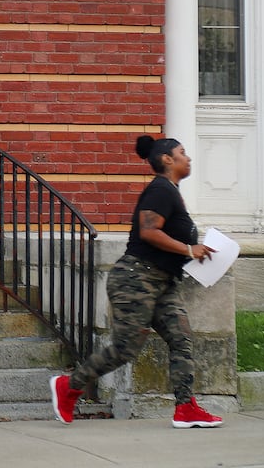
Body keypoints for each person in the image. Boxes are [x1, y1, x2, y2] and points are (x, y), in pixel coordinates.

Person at [49, 134, 224, 429]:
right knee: (125, 349)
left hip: (163, 282)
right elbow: (149, 231)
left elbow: (168, 239)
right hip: (136, 279)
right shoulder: (160, 189)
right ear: (167, 159)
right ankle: (69, 386)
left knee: (181, 340)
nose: (188, 157)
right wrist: (187, 249)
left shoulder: (172, 193)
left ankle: (186, 408)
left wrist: (196, 252)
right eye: (183, 152)